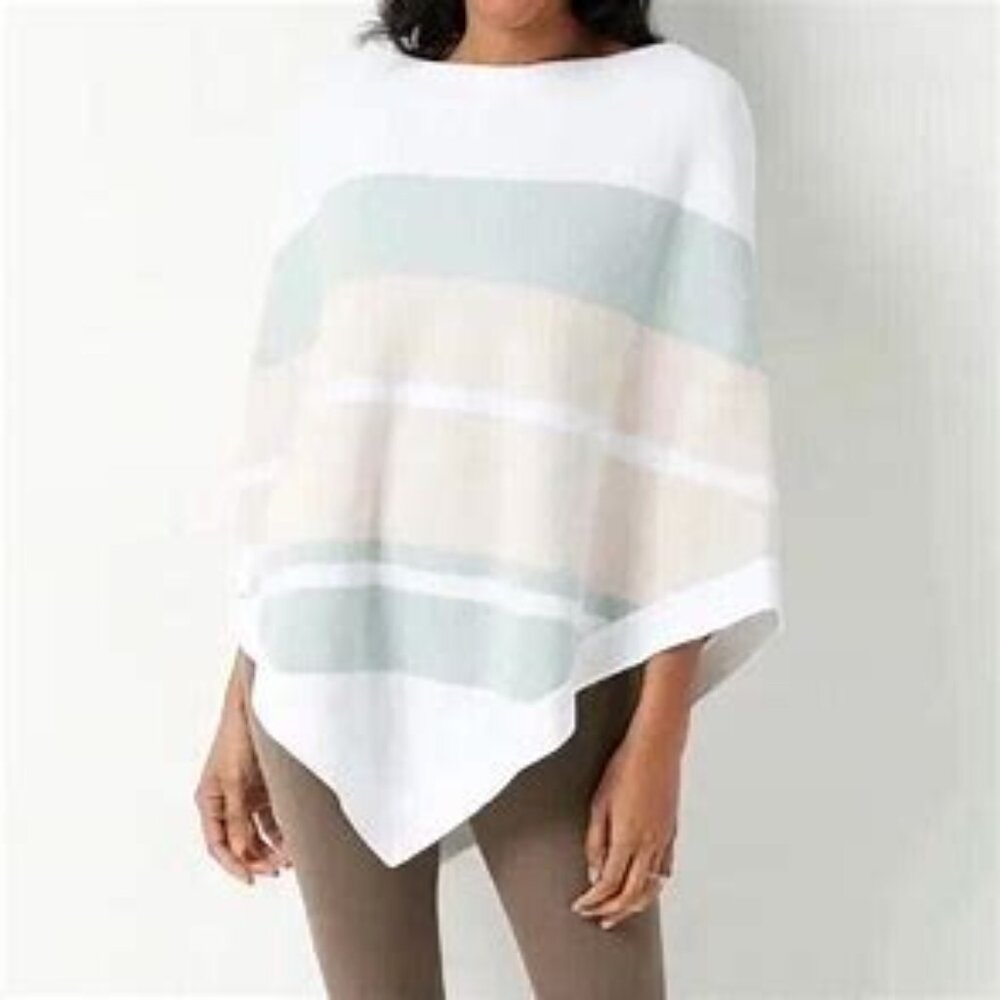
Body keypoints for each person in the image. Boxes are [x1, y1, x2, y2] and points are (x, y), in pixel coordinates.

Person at [195, 1, 784, 996]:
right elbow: (300, 423)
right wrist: (240, 694)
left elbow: (697, 441)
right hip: (328, 652)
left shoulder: (680, 110)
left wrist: (659, 736)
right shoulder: (352, 107)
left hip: (554, 658)